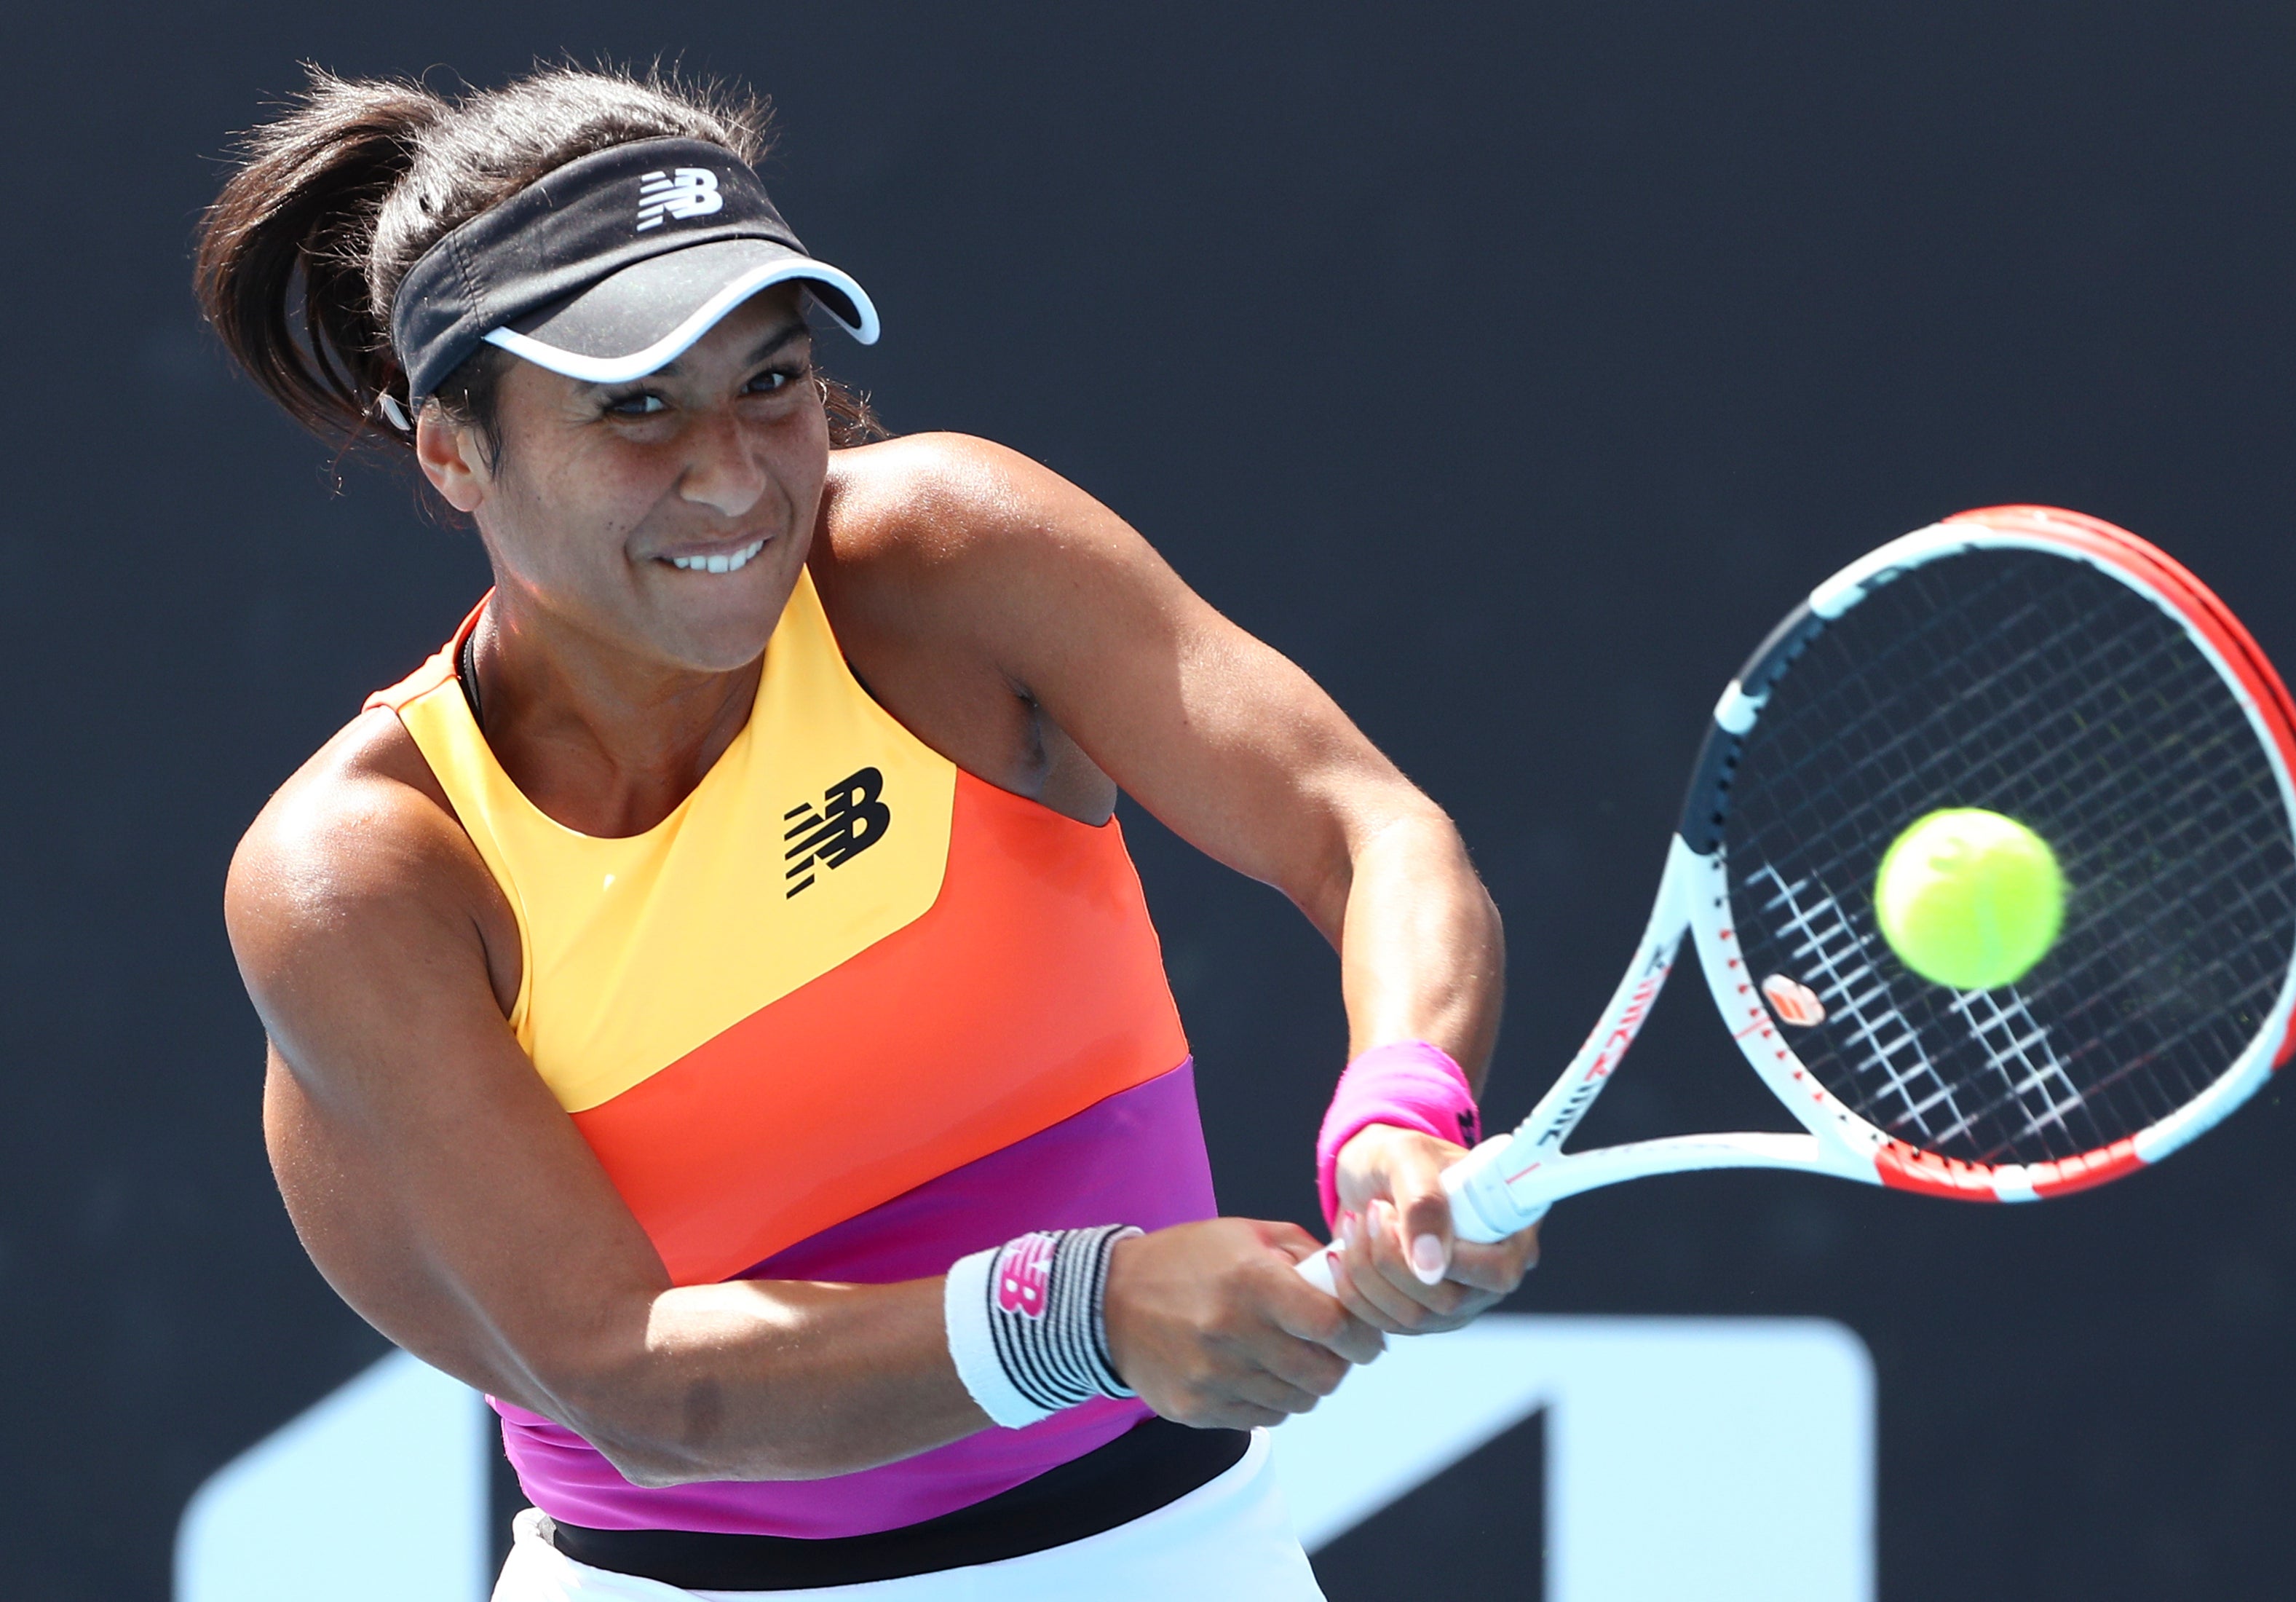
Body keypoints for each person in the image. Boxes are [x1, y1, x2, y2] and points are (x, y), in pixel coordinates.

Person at [205, 63, 1537, 1600]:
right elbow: (639, 1382)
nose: (733, 474)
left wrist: (1401, 1102)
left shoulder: (948, 561)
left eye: (768, 382)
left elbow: (1360, 824)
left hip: (1171, 1554)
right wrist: (1090, 1311)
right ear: (454, 448)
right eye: (636, 405)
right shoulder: (363, 874)